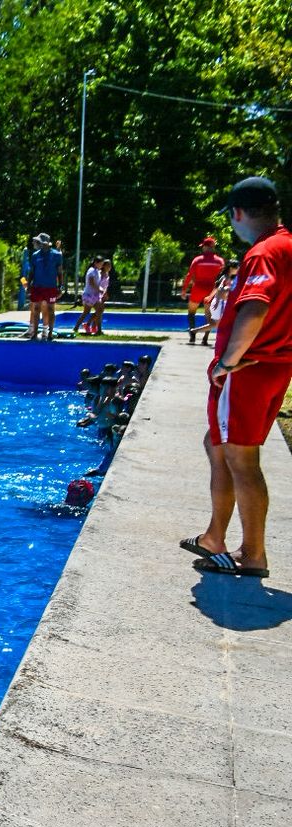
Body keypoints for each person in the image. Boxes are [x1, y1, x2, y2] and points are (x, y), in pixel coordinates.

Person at [182, 176, 292, 579]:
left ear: (239, 213)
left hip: (249, 371)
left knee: (241, 460)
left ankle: (252, 554)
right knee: (216, 444)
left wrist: (227, 362)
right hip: (273, 366)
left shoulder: (263, 253)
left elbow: (255, 308)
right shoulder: (287, 246)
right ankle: (215, 536)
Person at [183, 236, 228, 343]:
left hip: (198, 289)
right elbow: (223, 277)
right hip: (211, 290)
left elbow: (190, 275)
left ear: (205, 247)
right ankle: (205, 338)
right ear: (213, 247)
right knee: (209, 315)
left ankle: (192, 335)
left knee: (191, 312)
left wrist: (184, 289)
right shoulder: (220, 261)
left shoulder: (197, 260)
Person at [24, 233, 64, 340]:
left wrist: (61, 287)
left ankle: (50, 334)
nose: (39, 244)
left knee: (51, 310)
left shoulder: (57, 255)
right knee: (36, 309)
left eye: (40, 242)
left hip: (51, 287)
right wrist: (29, 286)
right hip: (37, 286)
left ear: (46, 243)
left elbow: (60, 272)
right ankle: (34, 333)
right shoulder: (35, 255)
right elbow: (31, 272)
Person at [198, 259, 237, 348]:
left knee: (215, 323)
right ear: (230, 268)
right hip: (220, 302)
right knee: (216, 323)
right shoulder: (225, 277)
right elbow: (217, 289)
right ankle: (199, 334)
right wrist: (210, 298)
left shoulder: (230, 277)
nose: (237, 269)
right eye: (236, 267)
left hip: (223, 301)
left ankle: (202, 336)